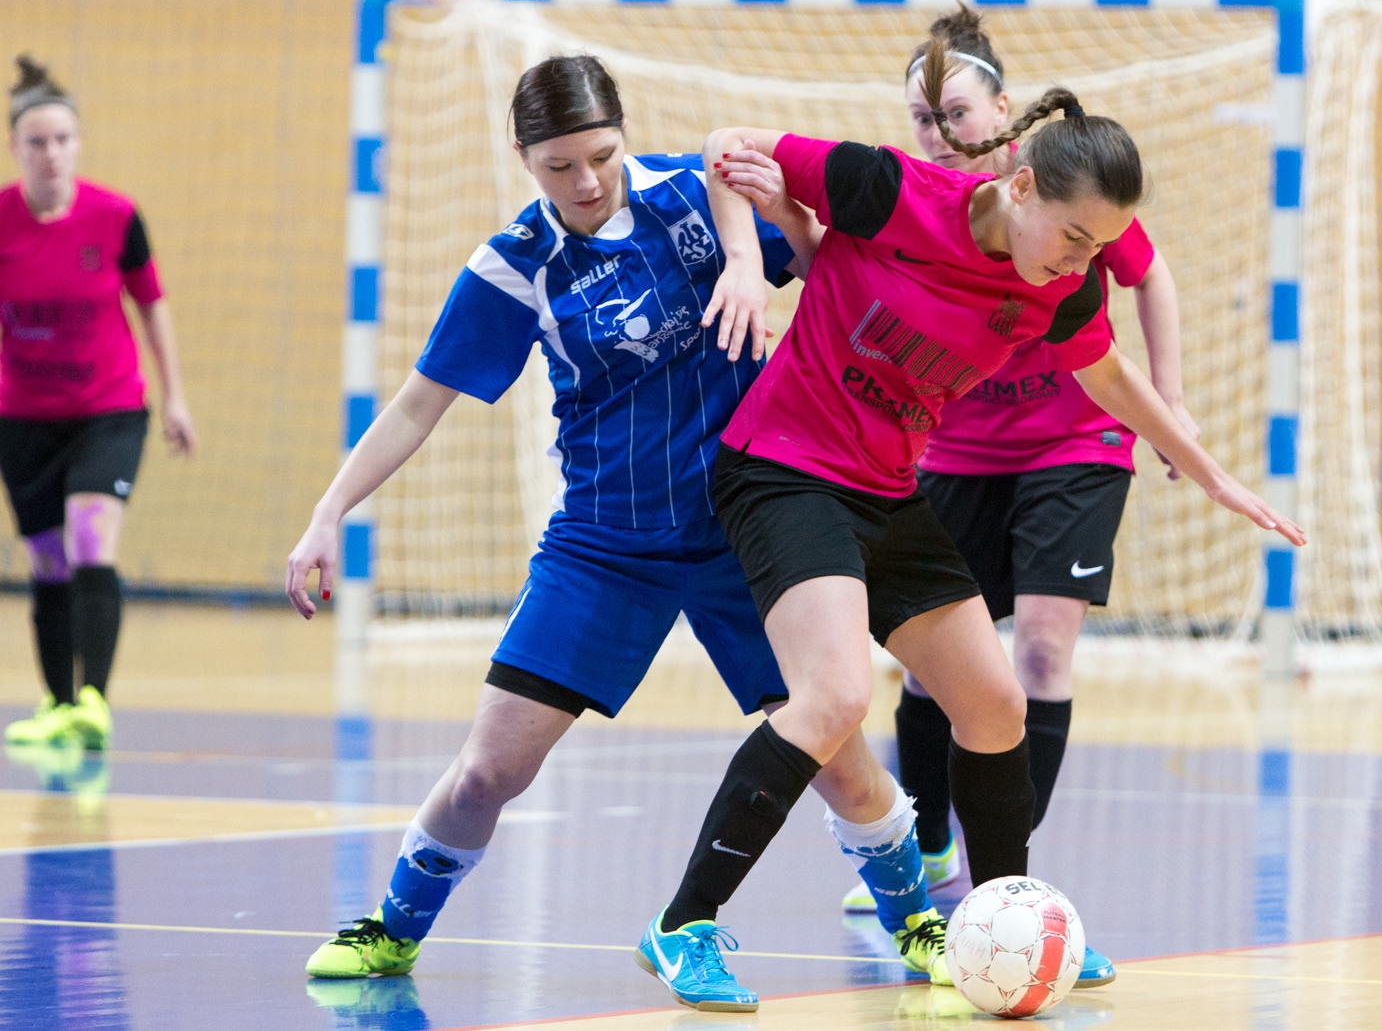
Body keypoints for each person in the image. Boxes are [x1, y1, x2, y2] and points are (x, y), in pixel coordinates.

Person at [638, 36, 1304, 1010]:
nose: (1087, 262)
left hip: (887, 485)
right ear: (1022, 186)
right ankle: (682, 924)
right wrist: (746, 260)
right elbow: (732, 145)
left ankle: (1004, 916)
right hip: (785, 468)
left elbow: (1109, 374)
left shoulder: (1061, 285)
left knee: (993, 704)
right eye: (1075, 237)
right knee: (832, 697)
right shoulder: (890, 189)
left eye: (1100, 247)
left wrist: (1210, 473)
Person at [285, 55, 952, 1005]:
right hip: (606, 543)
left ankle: (918, 921)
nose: (586, 181)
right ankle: (392, 928)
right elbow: (416, 405)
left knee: (840, 757)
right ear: (523, 156)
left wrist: (763, 266)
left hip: (748, 533)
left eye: (599, 154)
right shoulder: (515, 265)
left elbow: (824, 251)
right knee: (488, 770)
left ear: (623, 135)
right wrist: (327, 512)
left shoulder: (700, 196)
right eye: (558, 165)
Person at [839, 5, 1198, 988]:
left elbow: (1148, 272)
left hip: (1073, 442)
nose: (938, 130)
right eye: (920, 115)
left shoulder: (1060, 187)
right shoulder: (911, 194)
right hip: (952, 454)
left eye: (954, 109)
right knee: (929, 671)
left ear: (1000, 108)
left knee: (1040, 643)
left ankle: (1013, 891)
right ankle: (925, 853)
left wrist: (1167, 399)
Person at [1, 55, 198, 753]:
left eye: (62, 140)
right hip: (23, 417)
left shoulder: (114, 217)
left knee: (90, 536)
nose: (51, 153)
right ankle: (58, 703)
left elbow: (152, 304)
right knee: (48, 558)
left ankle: (95, 701)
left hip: (108, 407)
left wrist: (175, 397)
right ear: (16, 147)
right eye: (36, 141)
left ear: (77, 144)